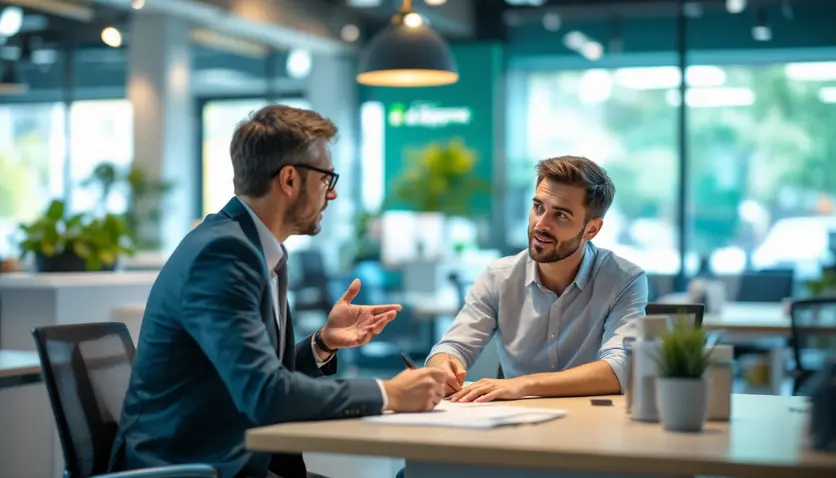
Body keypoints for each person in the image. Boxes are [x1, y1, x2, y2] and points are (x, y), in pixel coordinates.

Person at [108, 105, 447, 478]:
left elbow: (255, 375)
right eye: (326, 180)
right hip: (196, 467)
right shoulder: (222, 255)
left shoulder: (253, 249)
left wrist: (322, 343)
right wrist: (389, 394)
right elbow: (265, 394)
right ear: (289, 179)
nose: (330, 196)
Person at [426, 155, 648, 402]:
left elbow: (622, 368)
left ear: (592, 229)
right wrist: (443, 366)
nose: (541, 224)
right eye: (538, 207)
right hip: (515, 427)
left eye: (560, 215)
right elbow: (451, 348)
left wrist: (524, 385)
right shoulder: (499, 277)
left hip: (592, 427)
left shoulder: (624, 280)